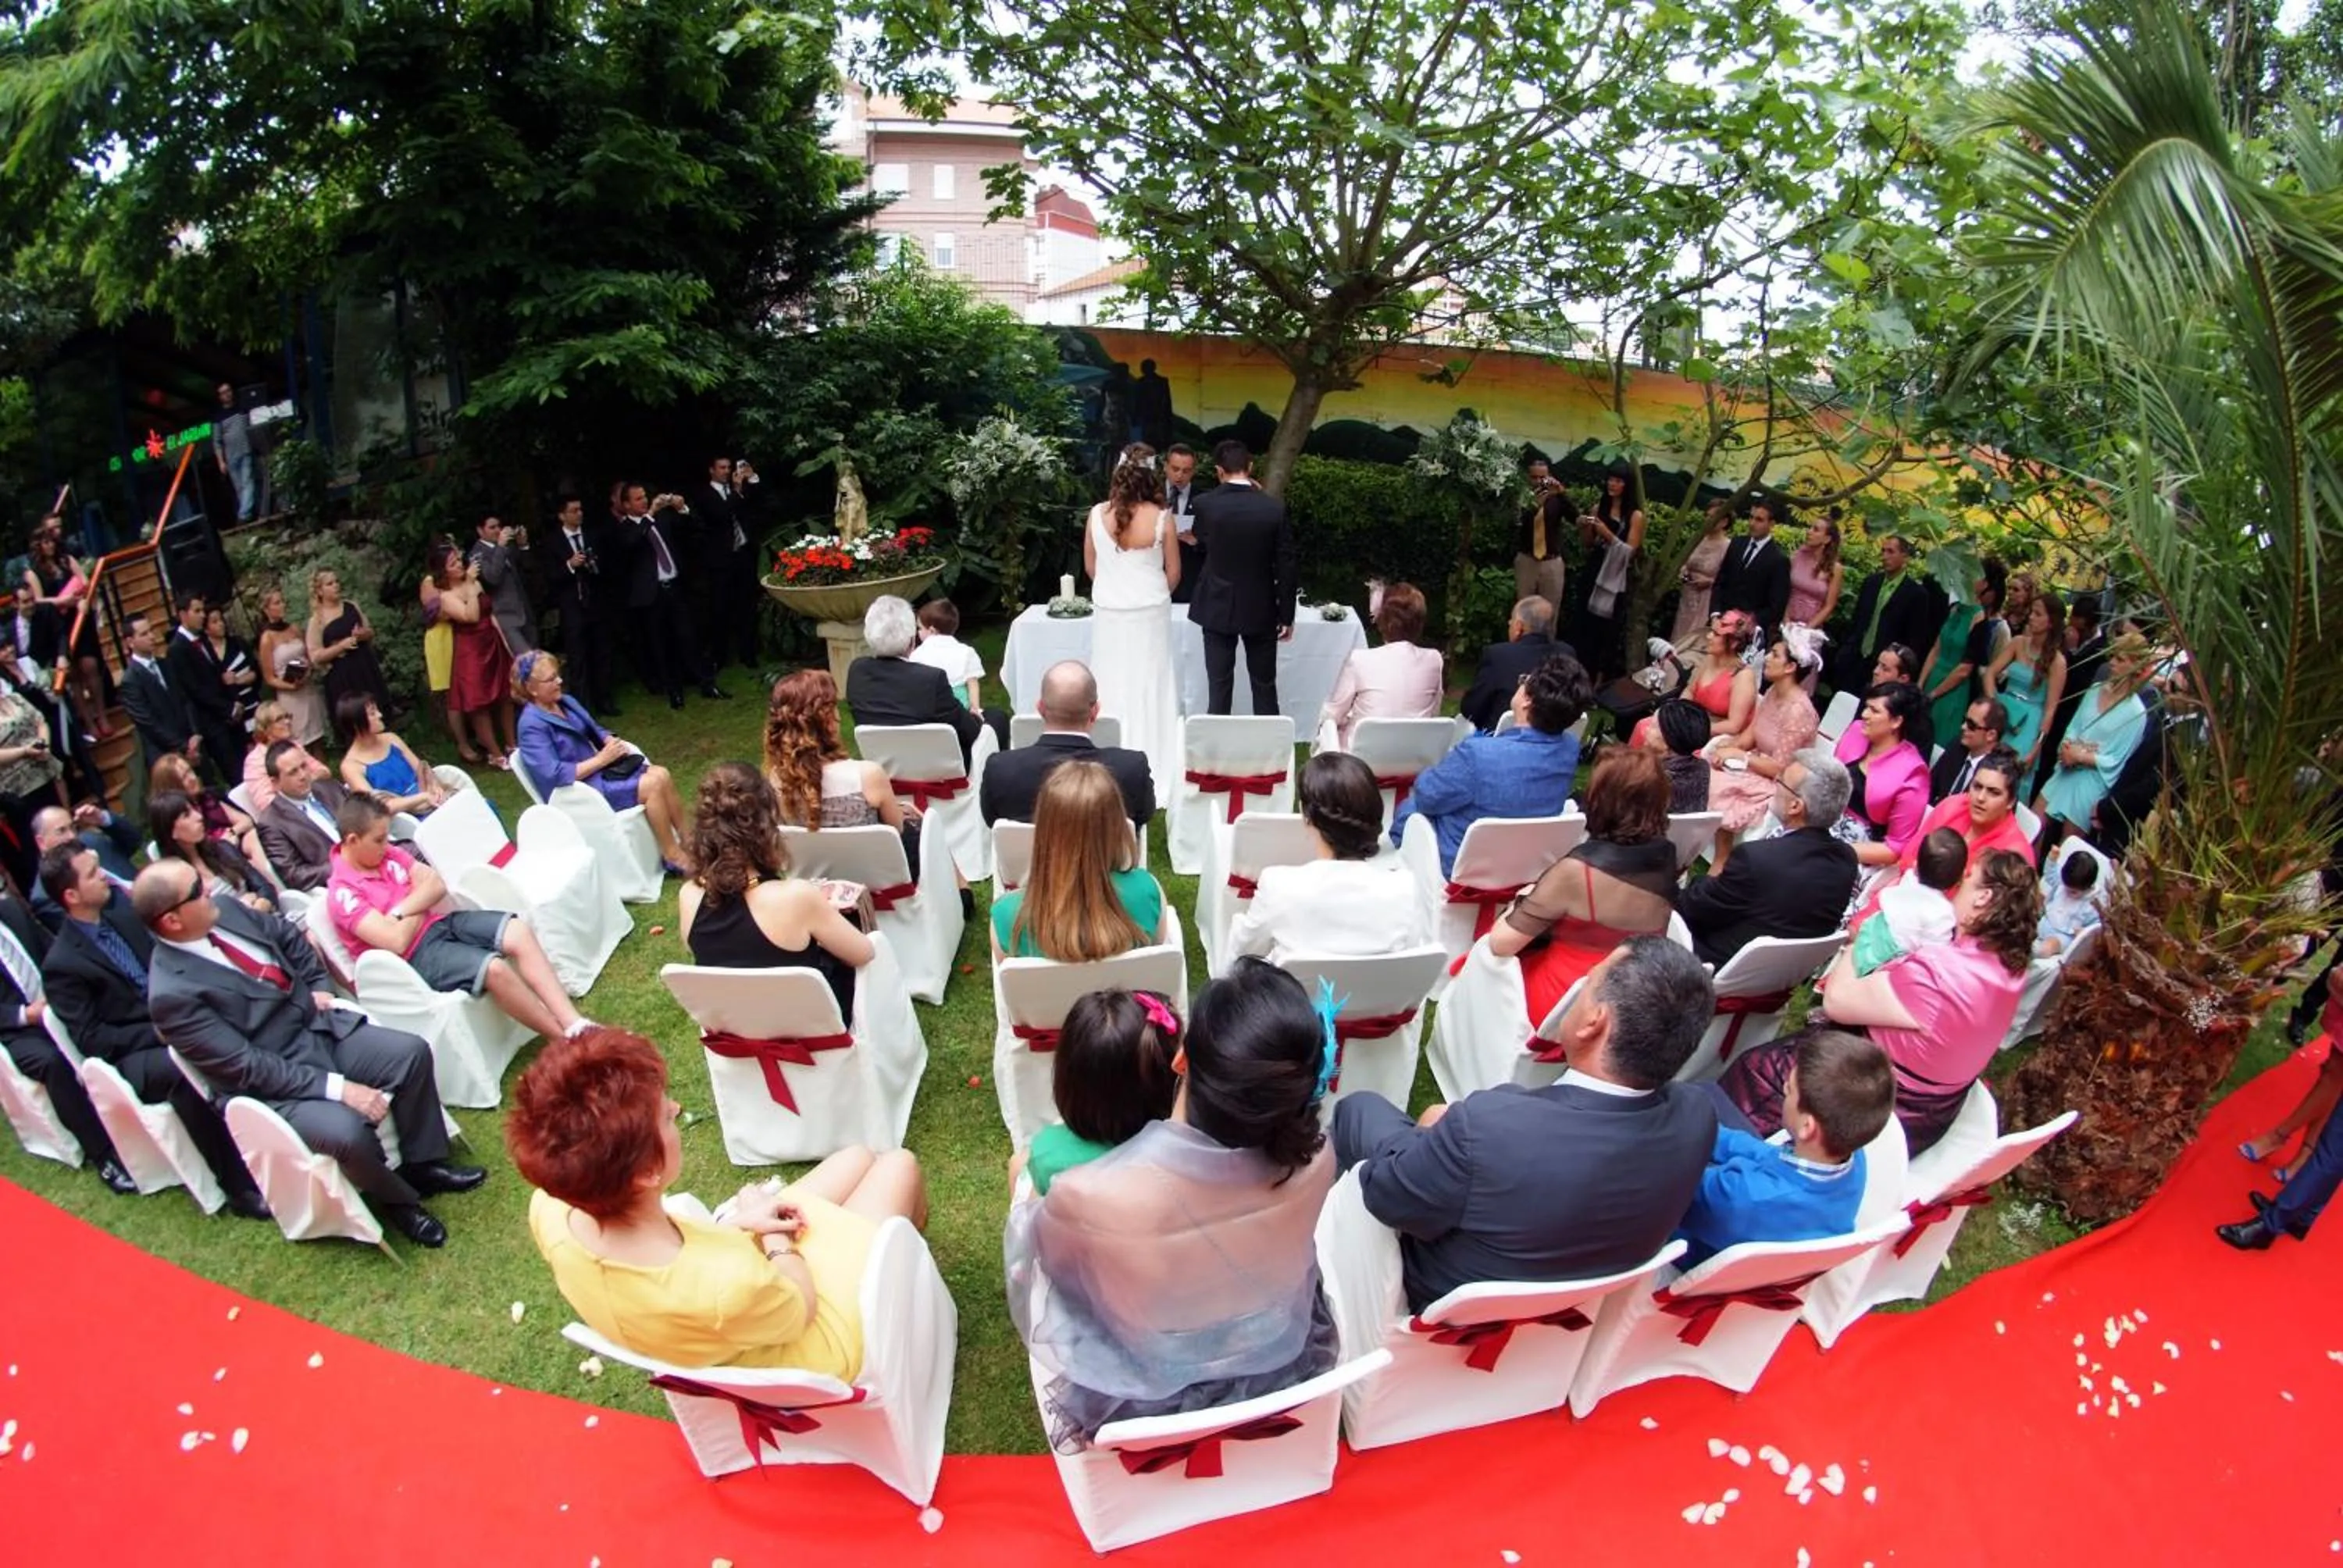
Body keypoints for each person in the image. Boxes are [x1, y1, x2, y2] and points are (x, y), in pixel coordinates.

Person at [1007, 957, 1337, 1448]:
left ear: (1180, 1060)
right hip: (1275, 1357)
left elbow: (1059, 1277)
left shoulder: (1090, 1194)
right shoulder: (1318, 1158)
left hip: (1146, 1393)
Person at [1334, 936, 1717, 1312]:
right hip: (1576, 1298)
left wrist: (1426, 1136)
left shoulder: (1486, 1131)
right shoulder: (1698, 1115)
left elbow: (1389, 1196)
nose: (1579, 988)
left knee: (1359, 1109)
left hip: (1448, 1300)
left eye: (1589, 981)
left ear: (1593, 1022)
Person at [515, 1028, 925, 1369]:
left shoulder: (552, 1212)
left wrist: (744, 1221)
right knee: (899, 1165)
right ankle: (903, 1271)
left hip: (729, 1304)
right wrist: (775, 1242)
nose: (676, 1107)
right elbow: (801, 1307)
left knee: (858, 1157)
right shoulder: (731, 1286)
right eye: (666, 1117)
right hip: (809, 1339)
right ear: (646, 1173)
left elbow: (677, 1264)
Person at [135, 860, 486, 1248]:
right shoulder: (171, 995)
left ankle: (423, 1164)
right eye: (196, 891)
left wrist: (319, 984)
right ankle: (399, 1201)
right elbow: (247, 1067)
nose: (209, 889)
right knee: (347, 1133)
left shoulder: (226, 912)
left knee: (411, 1054)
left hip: (318, 1028)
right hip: (276, 1085)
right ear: (172, 921)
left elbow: (288, 938)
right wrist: (341, 1089)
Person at [1719, 848, 2040, 1154]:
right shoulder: (2012, 972)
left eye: (1969, 879)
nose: (1961, 885)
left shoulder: (1940, 972)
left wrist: (1857, 946)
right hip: (1933, 1113)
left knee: (1758, 1070)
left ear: (1983, 898)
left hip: (1877, 1105)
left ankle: (1717, 1151)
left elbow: (1837, 1001)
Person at [37, 843, 272, 1219]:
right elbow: (92, 1039)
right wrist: (161, 1032)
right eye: (93, 873)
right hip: (137, 1052)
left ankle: (279, 1132)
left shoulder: (125, 916)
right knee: (182, 1072)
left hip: (178, 1013)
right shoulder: (63, 964)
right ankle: (239, 1186)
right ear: (72, 895)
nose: (104, 876)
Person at [325, 793, 587, 1040]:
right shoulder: (342, 893)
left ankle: (575, 1023)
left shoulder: (386, 854)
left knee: (517, 930)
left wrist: (400, 911)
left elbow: (437, 884)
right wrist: (419, 898)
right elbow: (396, 942)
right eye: (379, 840)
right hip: (413, 959)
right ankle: (563, 1040)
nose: (386, 845)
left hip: (437, 924)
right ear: (352, 841)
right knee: (494, 969)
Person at [1486, 746, 1680, 1027]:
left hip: (1564, 999)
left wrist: (1522, 901)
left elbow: (1501, 943)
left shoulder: (1578, 872)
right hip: (1624, 996)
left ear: (1600, 801)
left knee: (1485, 949)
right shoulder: (1667, 856)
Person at [1676, 1028, 1893, 1266]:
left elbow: (1668, 1187)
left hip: (1697, 1249)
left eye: (1788, 1091)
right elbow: (1769, 1156)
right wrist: (1707, 1132)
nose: (1784, 1094)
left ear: (1807, 1127)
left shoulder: (1743, 1197)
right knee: (1704, 1101)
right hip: (1777, 1226)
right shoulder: (1851, 1157)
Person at [678, 763, 875, 1019]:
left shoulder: (689, 894)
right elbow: (864, 953)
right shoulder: (796, 897)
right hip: (814, 1026)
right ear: (766, 825)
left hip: (742, 1027)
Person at [1391, 652, 1589, 875]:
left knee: (1413, 807)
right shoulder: (1569, 750)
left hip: (1457, 868)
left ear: (1527, 700)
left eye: (1524, 680)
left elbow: (1427, 796)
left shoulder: (1477, 755)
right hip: (1524, 865)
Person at [1229, 752, 1429, 964]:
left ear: (1307, 817)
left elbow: (1243, 954)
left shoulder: (1279, 886)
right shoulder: (1406, 888)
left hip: (1295, 996)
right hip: (1377, 996)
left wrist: (1238, 922)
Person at [1677, 749, 1860, 968]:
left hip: (1712, 961)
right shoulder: (1846, 861)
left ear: (1795, 806)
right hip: (1778, 977)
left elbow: (1695, 907)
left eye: (1780, 782)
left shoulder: (1757, 860)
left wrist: (1687, 880)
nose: (1775, 787)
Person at [513, 650, 690, 871]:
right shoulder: (531, 726)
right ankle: (672, 855)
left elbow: (594, 729)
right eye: (551, 679)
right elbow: (554, 775)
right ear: (531, 688)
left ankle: (690, 842)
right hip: (577, 792)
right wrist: (601, 759)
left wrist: (609, 741)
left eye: (558, 675)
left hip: (599, 773)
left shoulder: (566, 702)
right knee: (652, 785)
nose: (559, 681)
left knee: (661, 774)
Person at [1011, 989, 1182, 1196]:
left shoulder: (1047, 1153)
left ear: (1066, 1076)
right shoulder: (1186, 1154)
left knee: (1017, 1165)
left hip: (1068, 1225)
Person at [991, 760, 1164, 960]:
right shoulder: (1148, 891)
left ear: (1044, 830)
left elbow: (1011, 983)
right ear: (1117, 828)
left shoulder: (1006, 915)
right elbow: (1156, 956)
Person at [1082, 443, 1182, 784]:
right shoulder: (1162, 518)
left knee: (1110, 677)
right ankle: (1153, 754)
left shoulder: (1096, 515)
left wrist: (1116, 590)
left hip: (1111, 610)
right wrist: (1149, 594)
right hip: (1150, 611)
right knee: (1151, 679)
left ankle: (1108, 751)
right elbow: (1174, 573)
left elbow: (1091, 567)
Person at [762, 668, 923, 864]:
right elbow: (898, 830)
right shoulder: (867, 775)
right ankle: (962, 891)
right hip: (876, 874)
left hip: (815, 880)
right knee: (923, 829)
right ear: (828, 719)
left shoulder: (777, 779)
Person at [1186, 440, 1298, 716]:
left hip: (1216, 601)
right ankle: (1271, 751)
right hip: (1260, 604)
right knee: (1264, 684)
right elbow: (1286, 563)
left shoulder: (1205, 504)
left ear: (1219, 471)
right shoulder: (1273, 508)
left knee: (1219, 684)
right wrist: (1287, 614)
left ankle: (1217, 749)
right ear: (1250, 467)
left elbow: (1204, 542)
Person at [978, 661, 1154, 832]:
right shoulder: (1131, 769)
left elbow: (991, 820)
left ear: (1041, 709)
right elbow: (1143, 816)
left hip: (1029, 862)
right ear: (1095, 712)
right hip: (1105, 862)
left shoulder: (1001, 770)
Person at [1706, 627, 1827, 856]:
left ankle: (1720, 861)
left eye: (1775, 655)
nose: (1768, 658)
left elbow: (1780, 768)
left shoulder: (1799, 711)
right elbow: (1752, 733)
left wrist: (1741, 756)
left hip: (1779, 783)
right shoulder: (1773, 691)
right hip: (1755, 764)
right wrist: (1732, 748)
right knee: (1707, 763)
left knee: (1718, 784)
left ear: (1790, 667)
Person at [614, 481, 729, 711]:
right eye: (638, 499)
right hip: (650, 596)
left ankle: (707, 683)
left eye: (645, 496)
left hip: (675, 587)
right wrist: (651, 514)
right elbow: (631, 544)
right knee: (661, 643)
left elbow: (691, 531)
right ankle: (674, 691)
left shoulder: (663, 520)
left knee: (689, 636)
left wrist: (682, 509)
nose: (645, 501)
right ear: (626, 505)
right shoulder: (624, 529)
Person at [2038, 629, 2155, 845]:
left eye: (2120, 659)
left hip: (2093, 778)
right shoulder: (2095, 690)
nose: (2112, 663)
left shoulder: (2136, 713)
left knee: (2068, 844)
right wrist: (2068, 749)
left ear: (2135, 666)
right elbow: (2073, 728)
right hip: (2067, 765)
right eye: (2113, 657)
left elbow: (2117, 759)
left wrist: (2082, 756)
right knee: (2036, 823)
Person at [844, 596, 986, 768]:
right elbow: (968, 731)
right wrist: (976, 717)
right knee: (996, 719)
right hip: (938, 772)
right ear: (912, 642)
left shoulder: (857, 672)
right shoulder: (930, 680)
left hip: (886, 770)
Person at [1314, 581, 1444, 750]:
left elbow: (1333, 714)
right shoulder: (1434, 659)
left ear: (1382, 620)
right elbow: (1433, 715)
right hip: (1413, 757)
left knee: (1329, 730)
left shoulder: (1359, 660)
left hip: (1361, 763)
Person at [429, 540, 515, 769]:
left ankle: (512, 745)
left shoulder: (475, 582)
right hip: (470, 650)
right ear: (443, 570)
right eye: (452, 563)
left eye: (459, 559)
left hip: (491, 641)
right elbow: (471, 616)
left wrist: (504, 642)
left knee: (505, 695)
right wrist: (468, 584)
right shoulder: (446, 597)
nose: (459, 564)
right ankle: (495, 754)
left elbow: (489, 612)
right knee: (479, 703)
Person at [20, 521, 107, 740]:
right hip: (58, 625)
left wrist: (82, 600)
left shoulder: (67, 560)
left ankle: (102, 714)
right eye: (44, 542)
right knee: (74, 674)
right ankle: (88, 722)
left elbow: (84, 581)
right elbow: (38, 601)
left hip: (78, 618)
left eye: (51, 541)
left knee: (90, 664)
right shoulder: (33, 573)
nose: (48, 546)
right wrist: (61, 600)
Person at [1834, 682, 1932, 870]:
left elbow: (1895, 848)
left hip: (1860, 853)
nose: (1864, 715)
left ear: (1896, 721)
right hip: (1823, 822)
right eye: (1866, 707)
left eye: (1874, 710)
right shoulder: (1857, 730)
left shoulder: (1913, 772)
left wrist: (1838, 849)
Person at [1920, 561, 2009, 759]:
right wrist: (1921, 683)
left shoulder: (1980, 619)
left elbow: (1965, 668)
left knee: (1936, 743)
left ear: (1984, 584)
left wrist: (1935, 693)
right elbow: (1936, 649)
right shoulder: (1955, 609)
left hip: (1952, 689)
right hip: (1934, 676)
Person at [1632, 611, 1755, 751]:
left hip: (1715, 735)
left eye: (1716, 634)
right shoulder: (1710, 659)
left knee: (1667, 743)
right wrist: (1677, 715)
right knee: (1644, 726)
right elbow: (1690, 691)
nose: (1708, 636)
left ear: (1733, 643)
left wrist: (1692, 731)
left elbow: (1734, 725)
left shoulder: (1743, 676)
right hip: (1692, 721)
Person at [1851, 826, 1966, 975]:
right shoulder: (1942, 912)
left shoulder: (1909, 878)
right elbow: (1934, 955)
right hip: (1888, 958)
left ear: (1917, 864)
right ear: (1959, 880)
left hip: (1870, 935)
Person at [686, 456, 763, 673]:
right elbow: (721, 514)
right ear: (712, 470)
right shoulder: (705, 495)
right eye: (722, 468)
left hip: (743, 555)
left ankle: (749, 653)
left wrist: (752, 479)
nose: (726, 472)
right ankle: (720, 656)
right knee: (720, 608)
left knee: (747, 605)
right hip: (721, 560)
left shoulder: (736, 490)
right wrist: (737, 490)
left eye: (729, 468)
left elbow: (755, 504)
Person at [1830, 534, 1933, 697]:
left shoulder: (1916, 594)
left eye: (1891, 552)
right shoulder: (1871, 583)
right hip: (1855, 659)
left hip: (1885, 666)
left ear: (1904, 556)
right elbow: (1857, 620)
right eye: (1883, 551)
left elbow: (1915, 638)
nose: (1885, 556)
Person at [542, 494, 616, 715]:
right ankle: (583, 706)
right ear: (562, 515)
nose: (579, 514)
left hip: (595, 603)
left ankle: (605, 700)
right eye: (574, 511)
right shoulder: (553, 542)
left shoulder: (592, 535)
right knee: (578, 658)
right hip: (572, 606)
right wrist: (570, 565)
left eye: (580, 510)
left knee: (601, 653)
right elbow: (551, 576)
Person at [1574, 464, 1647, 682]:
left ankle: (1597, 683)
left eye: (1618, 481)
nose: (1612, 484)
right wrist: (1585, 526)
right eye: (1610, 479)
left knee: (1605, 633)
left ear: (1627, 485)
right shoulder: (1599, 508)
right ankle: (1576, 675)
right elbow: (1588, 544)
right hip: (1594, 570)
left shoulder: (1635, 516)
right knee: (1584, 626)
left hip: (1615, 578)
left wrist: (1608, 534)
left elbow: (1630, 552)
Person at [1982, 587, 2067, 776]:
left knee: (2010, 771)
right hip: (2004, 712)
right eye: (2032, 612)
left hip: (2029, 723)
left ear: (2051, 622)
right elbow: (1990, 673)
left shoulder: (2057, 662)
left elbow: (2050, 709)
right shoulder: (2018, 643)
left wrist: (2036, 748)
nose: (2031, 617)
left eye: (2038, 614)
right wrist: (1994, 704)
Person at [164, 591, 245, 782]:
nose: (202, 615)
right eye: (197, 611)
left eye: (202, 610)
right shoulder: (177, 649)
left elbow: (219, 674)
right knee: (233, 773)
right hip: (211, 722)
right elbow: (195, 690)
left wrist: (234, 700)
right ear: (183, 615)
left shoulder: (202, 639)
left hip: (228, 715)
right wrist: (227, 708)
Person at [149, 789, 274, 914]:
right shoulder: (180, 884)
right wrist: (247, 908)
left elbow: (264, 887)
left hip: (270, 920)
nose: (199, 817)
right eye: (186, 815)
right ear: (171, 832)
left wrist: (261, 905)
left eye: (194, 809)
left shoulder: (222, 849)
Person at [254, 739, 355, 892]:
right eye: (293, 772)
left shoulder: (329, 788)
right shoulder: (271, 824)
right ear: (275, 783)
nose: (303, 775)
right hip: (343, 884)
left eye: (304, 766)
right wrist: (344, 865)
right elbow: (294, 876)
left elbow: (366, 817)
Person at [1459, 597, 1571, 732]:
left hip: (1500, 742)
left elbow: (1471, 710)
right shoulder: (1567, 654)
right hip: (1553, 741)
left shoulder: (1498, 655)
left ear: (1519, 627)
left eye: (1511, 622)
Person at [334, 694, 450, 818]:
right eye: (373, 713)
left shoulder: (391, 739)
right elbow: (377, 807)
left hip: (429, 798)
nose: (380, 715)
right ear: (357, 724)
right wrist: (422, 798)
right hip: (404, 818)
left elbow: (421, 770)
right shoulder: (351, 765)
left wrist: (435, 787)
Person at [26, 801, 137, 928]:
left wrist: (102, 819)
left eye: (73, 828)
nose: (72, 836)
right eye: (61, 831)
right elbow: (95, 929)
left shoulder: (90, 841)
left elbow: (134, 842)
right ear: (41, 842)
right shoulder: (45, 898)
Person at [307, 567, 394, 725]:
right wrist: (341, 647)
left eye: (337, 581)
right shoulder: (317, 620)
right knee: (356, 721)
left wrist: (362, 635)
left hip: (364, 666)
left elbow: (370, 631)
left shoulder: (351, 606)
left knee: (377, 714)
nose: (336, 586)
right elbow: (315, 656)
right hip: (342, 675)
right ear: (320, 591)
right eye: (330, 584)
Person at [149, 751, 264, 868]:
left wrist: (231, 833)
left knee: (252, 838)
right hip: (210, 863)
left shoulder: (208, 796)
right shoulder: (173, 818)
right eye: (184, 778)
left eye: (190, 771)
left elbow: (246, 821)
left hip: (235, 844)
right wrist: (221, 844)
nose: (192, 778)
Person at [118, 611, 200, 773]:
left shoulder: (165, 664)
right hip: (165, 755)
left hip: (191, 743)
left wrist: (194, 735)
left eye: (151, 631)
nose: (152, 637)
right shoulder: (131, 680)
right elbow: (149, 723)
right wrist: (182, 746)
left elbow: (185, 699)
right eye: (144, 634)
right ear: (130, 642)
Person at [1710, 497, 1794, 643]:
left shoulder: (1778, 560)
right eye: (1751, 517)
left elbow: (1776, 606)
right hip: (1719, 624)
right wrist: (1715, 615)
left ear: (1772, 524)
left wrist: (1751, 621)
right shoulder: (1737, 544)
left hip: (1747, 636)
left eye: (1759, 520)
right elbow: (1720, 582)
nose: (1752, 523)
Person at [255, 587, 328, 750]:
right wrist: (290, 686)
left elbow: (307, 655)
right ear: (267, 609)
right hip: (289, 693)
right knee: (299, 740)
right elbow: (269, 677)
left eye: (283, 602)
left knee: (317, 737)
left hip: (306, 686)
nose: (282, 606)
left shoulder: (293, 628)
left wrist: (308, 670)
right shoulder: (267, 638)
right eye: (277, 603)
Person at [469, 511, 538, 657]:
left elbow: (529, 570)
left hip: (525, 613)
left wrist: (523, 546)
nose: (497, 531)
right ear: (480, 530)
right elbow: (492, 578)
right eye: (492, 527)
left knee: (537, 662)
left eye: (499, 526)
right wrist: (500, 548)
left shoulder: (507, 548)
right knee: (526, 662)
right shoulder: (477, 554)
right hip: (505, 618)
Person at [1515, 455, 1577, 607]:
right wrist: (1535, 505)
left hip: (1551, 562)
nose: (1538, 482)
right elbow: (1517, 524)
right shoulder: (1522, 497)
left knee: (1550, 610)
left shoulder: (1557, 498)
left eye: (1542, 477)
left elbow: (1576, 518)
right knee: (1524, 610)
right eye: (1534, 477)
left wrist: (1563, 494)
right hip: (1527, 560)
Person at [1671, 500, 1735, 644]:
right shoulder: (1698, 539)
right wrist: (1684, 573)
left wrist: (1709, 582)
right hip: (1687, 597)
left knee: (1696, 640)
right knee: (1679, 638)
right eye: (1707, 515)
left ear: (1724, 521)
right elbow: (1685, 563)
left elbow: (1729, 580)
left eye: (1713, 516)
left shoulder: (1728, 547)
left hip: (1707, 600)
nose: (1708, 520)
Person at [908, 599, 985, 711]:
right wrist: (975, 709)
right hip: (960, 708)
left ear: (932, 631)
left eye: (920, 628)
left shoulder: (918, 654)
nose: (917, 632)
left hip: (928, 709)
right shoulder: (967, 652)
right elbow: (972, 684)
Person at [1783, 511, 1845, 646]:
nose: (1809, 532)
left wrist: (1806, 631)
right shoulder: (1796, 557)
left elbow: (1829, 606)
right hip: (1787, 623)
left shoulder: (1835, 568)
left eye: (1816, 530)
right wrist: (1787, 622)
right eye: (1810, 528)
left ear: (1827, 539)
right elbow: (1786, 592)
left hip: (1811, 630)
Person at [1931, 698, 2009, 803]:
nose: (1963, 727)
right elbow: (1929, 786)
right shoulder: (1956, 747)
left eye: (1971, 725)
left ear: (1991, 735)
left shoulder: (2000, 773)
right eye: (1965, 720)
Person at [2035, 844, 2105, 957]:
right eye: (2066, 888)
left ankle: (2037, 952)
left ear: (2088, 887)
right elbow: (2050, 874)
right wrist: (2052, 858)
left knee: (2049, 947)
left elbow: (2095, 927)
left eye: (2073, 892)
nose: (2068, 893)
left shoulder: (2092, 905)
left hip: (2064, 936)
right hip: (2046, 921)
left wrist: (2083, 933)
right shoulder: (2062, 882)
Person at [1646, 699, 1710, 813]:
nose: (1646, 729)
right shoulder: (1702, 767)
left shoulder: (1653, 779)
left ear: (1669, 740)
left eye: (1652, 726)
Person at [203, 604, 261, 732]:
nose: (221, 624)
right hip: (230, 714)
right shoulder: (206, 655)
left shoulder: (238, 643)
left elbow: (255, 671)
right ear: (206, 629)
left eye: (221, 620)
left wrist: (238, 680)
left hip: (251, 703)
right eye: (215, 622)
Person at [1163, 443, 1206, 604]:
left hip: (1191, 580)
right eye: (1175, 469)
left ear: (1193, 471)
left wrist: (1196, 541)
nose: (1180, 475)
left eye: (1186, 471)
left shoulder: (1203, 499)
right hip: (1156, 576)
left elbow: (1215, 540)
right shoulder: (1151, 495)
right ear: (1165, 467)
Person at [211, 381, 259, 521]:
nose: (227, 395)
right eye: (223, 393)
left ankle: (243, 515)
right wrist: (221, 462)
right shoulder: (218, 417)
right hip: (231, 457)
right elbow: (217, 442)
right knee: (240, 488)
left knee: (247, 482)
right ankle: (249, 514)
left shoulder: (242, 409)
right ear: (219, 397)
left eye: (228, 391)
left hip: (246, 451)